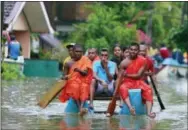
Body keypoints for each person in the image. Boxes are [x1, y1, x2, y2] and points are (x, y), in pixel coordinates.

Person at [113, 42, 155, 118]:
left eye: (135, 50)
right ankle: (130, 108)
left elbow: (138, 75)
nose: (133, 51)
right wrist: (116, 91)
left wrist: (126, 75)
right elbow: (119, 77)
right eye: (131, 49)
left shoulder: (143, 60)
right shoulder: (123, 63)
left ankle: (149, 113)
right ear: (129, 50)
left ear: (138, 51)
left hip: (139, 81)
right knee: (122, 88)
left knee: (148, 89)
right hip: (127, 82)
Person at [59, 44, 93, 116]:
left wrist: (78, 70)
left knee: (84, 86)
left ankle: (81, 107)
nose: (78, 53)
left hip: (84, 81)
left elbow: (85, 73)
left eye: (80, 51)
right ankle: (80, 109)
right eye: (76, 51)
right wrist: (64, 77)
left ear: (82, 52)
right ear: (73, 52)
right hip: (72, 83)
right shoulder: (68, 63)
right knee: (74, 86)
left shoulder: (86, 60)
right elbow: (63, 75)